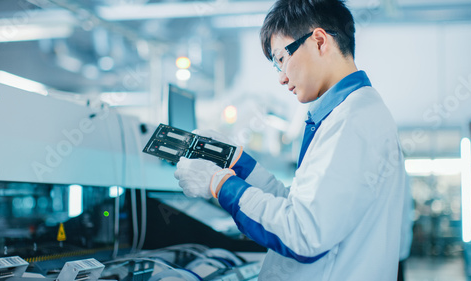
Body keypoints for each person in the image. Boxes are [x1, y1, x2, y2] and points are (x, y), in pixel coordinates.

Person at [174, 0, 407, 280]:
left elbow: (304, 233)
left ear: (320, 41)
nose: (282, 78)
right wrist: (239, 162)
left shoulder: (352, 121)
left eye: (281, 59)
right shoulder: (346, 115)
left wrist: (219, 184)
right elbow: (301, 208)